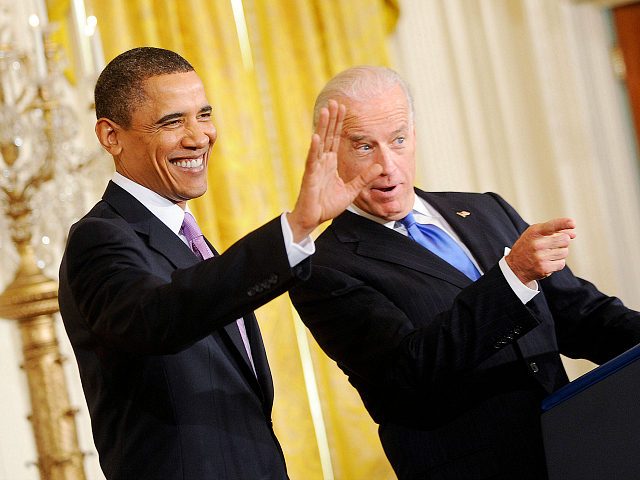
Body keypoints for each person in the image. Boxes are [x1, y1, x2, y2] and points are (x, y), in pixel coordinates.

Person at [288, 65, 640, 480]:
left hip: (576, 450)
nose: (387, 165)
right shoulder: (324, 267)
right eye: (364, 147)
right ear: (329, 152)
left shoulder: (485, 209)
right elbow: (411, 373)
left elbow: (580, 316)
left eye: (398, 140)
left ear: (414, 136)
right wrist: (512, 278)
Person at [58, 47, 380, 480]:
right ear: (111, 136)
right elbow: (159, 316)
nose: (199, 137)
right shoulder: (99, 237)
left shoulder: (187, 237)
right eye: (173, 122)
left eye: (204, 115)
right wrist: (295, 228)